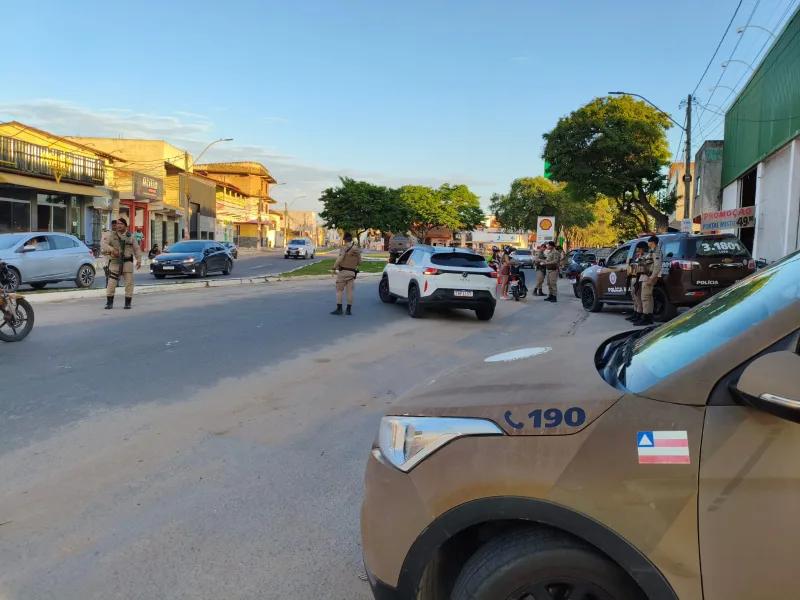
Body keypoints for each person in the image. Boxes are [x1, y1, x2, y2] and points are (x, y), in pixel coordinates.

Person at [102, 217, 142, 310]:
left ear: (125, 226)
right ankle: (109, 302)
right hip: (115, 262)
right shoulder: (110, 235)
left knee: (129, 284)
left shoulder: (130, 236)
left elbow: (136, 249)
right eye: (117, 224)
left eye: (121, 224)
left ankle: (128, 303)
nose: (118, 225)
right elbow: (103, 244)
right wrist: (112, 250)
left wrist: (138, 260)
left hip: (127, 262)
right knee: (111, 283)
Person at [331, 232, 362, 315]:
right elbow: (359, 262)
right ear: (351, 239)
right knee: (350, 291)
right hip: (352, 272)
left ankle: (339, 309)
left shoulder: (344, 248)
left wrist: (334, 267)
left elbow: (340, 258)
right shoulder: (357, 248)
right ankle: (348, 310)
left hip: (343, 272)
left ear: (344, 240)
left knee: (339, 290)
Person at [636, 235, 663, 326]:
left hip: (649, 277)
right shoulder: (651, 252)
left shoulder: (656, 252)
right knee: (648, 298)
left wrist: (652, 278)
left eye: (648, 241)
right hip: (646, 276)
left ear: (652, 242)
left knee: (645, 298)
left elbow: (657, 266)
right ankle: (648, 317)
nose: (647, 243)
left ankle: (646, 317)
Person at [626, 241, 648, 323]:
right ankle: (636, 313)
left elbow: (643, 267)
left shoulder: (646, 256)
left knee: (639, 297)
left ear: (642, 248)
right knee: (634, 296)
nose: (637, 250)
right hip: (634, 277)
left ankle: (640, 314)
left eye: (639, 248)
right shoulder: (640, 256)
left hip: (639, 277)